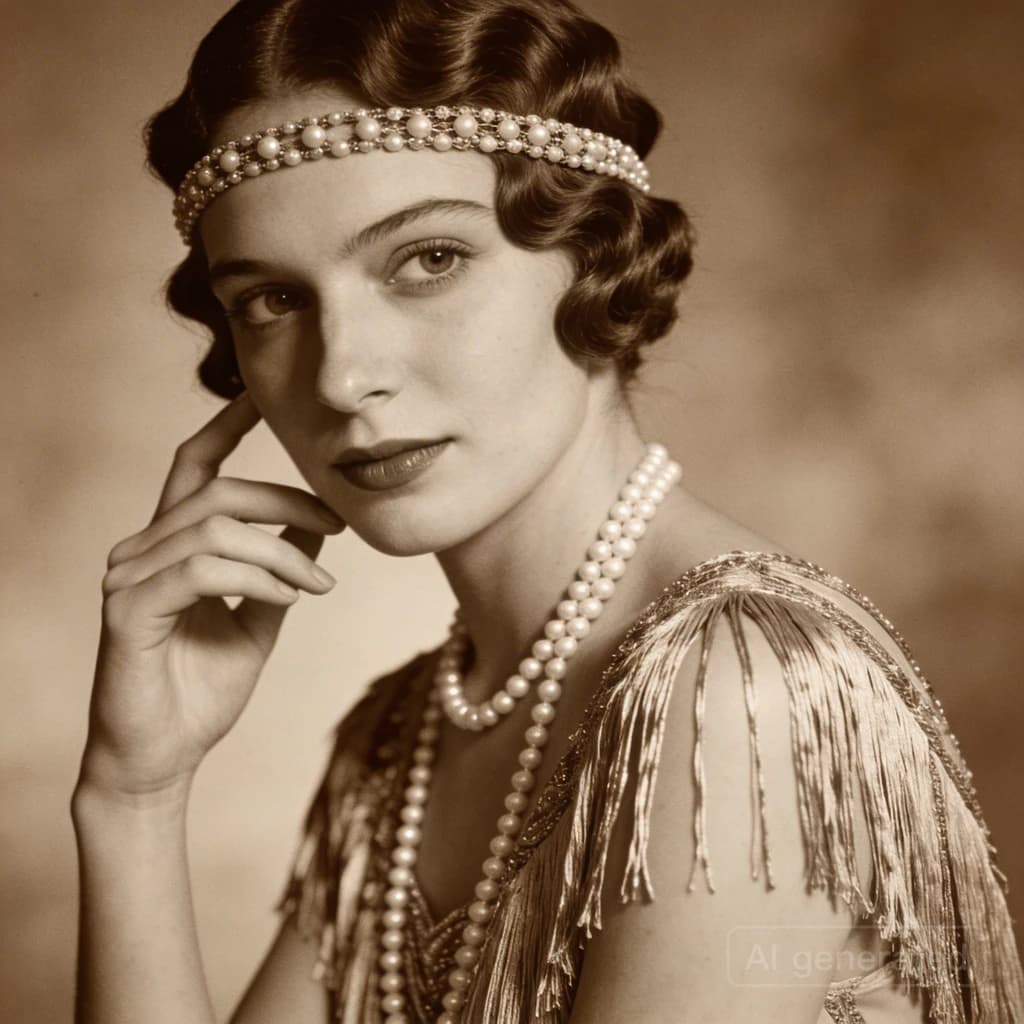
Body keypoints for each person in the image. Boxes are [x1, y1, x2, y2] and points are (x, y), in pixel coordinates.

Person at [71, 0, 1024, 1021]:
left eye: (428, 260)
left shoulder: (740, 697)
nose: (343, 375)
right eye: (271, 299)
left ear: (594, 256)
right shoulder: (402, 736)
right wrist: (134, 797)